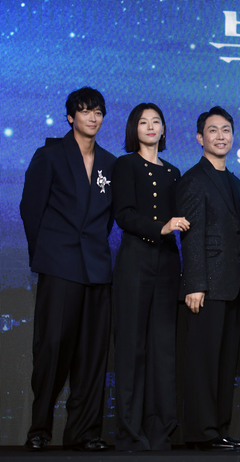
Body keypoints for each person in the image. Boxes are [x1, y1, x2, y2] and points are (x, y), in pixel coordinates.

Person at [19, 87, 116, 452]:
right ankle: (39, 430)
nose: (93, 117)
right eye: (85, 110)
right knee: (52, 348)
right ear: (70, 116)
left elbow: (106, 219)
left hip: (97, 267)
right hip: (59, 264)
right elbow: (31, 209)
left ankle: (85, 432)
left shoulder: (109, 162)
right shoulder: (49, 155)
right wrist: (46, 255)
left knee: (92, 355)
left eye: (98, 112)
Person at [111, 103, 187, 451]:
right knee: (132, 347)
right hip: (135, 261)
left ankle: (161, 429)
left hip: (168, 264)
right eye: (143, 122)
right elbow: (124, 215)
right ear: (134, 129)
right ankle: (130, 430)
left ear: (164, 129)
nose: (151, 127)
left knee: (163, 348)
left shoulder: (174, 172)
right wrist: (161, 227)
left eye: (157, 121)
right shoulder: (124, 165)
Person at [176, 106, 240, 451]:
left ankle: (219, 428)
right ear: (199, 138)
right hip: (206, 286)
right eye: (213, 130)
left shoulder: (235, 182)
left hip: (232, 285)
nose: (221, 136)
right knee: (203, 362)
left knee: (224, 362)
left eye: (226, 130)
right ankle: (201, 432)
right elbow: (191, 236)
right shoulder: (193, 179)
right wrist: (195, 284)